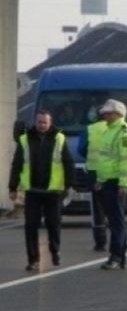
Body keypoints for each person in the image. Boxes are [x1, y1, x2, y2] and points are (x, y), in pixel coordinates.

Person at [8, 110, 75, 271]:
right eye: (39, 122)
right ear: (35, 122)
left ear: (50, 123)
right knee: (31, 226)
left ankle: (55, 250)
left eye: (45, 122)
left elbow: (68, 163)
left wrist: (69, 184)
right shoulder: (24, 139)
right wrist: (12, 187)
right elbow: (16, 165)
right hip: (33, 191)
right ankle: (33, 259)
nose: (42, 125)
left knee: (53, 224)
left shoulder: (59, 138)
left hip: (53, 191)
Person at [95, 99, 127, 270]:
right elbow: (105, 159)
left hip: (116, 182)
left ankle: (116, 256)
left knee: (116, 221)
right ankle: (119, 256)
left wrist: (124, 184)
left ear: (118, 114)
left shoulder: (124, 132)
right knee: (113, 220)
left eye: (108, 113)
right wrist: (100, 180)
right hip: (108, 181)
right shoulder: (110, 131)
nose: (104, 115)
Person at [77, 107, 108, 252]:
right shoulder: (120, 129)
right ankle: (118, 240)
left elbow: (81, 149)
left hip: (94, 172)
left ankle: (100, 241)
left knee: (97, 209)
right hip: (114, 173)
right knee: (115, 208)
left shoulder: (90, 129)